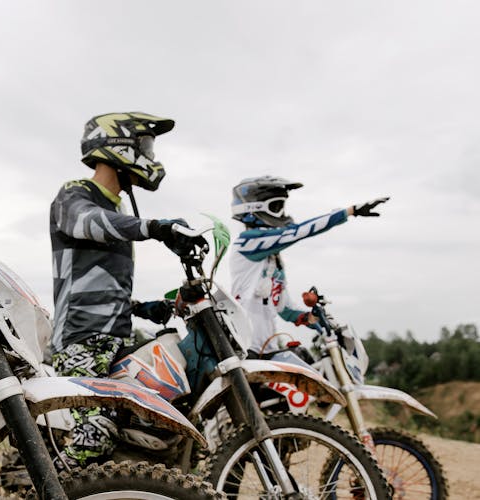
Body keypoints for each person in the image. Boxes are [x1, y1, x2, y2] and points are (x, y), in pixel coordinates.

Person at [48, 112, 203, 467]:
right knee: (97, 434)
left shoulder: (114, 209)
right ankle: (48, 488)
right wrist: (156, 227)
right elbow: (85, 221)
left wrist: (145, 307)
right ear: (118, 146)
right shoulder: (76, 195)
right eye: (145, 146)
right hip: (80, 340)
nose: (151, 156)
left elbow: (98, 286)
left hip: (114, 337)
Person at [229, 175, 388, 355]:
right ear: (254, 208)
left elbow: (284, 308)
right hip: (244, 351)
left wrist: (310, 318)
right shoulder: (247, 243)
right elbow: (297, 232)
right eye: (277, 207)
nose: (282, 214)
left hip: (267, 351)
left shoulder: (271, 259)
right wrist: (349, 212)